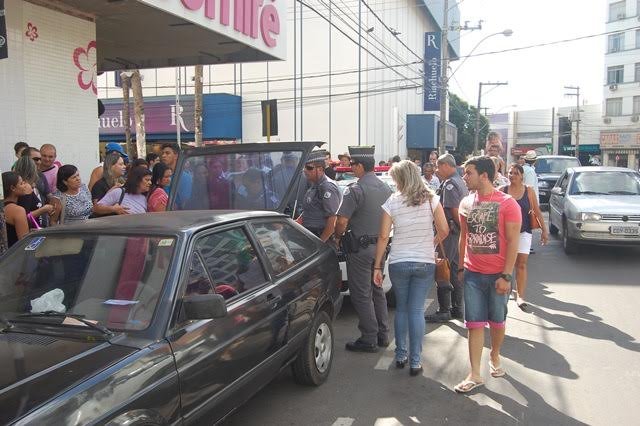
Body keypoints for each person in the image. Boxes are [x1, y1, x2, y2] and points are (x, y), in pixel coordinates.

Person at [373, 160, 449, 375]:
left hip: (399, 261)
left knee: (402, 310)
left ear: (401, 179)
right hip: (424, 262)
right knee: (416, 310)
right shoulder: (431, 199)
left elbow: (383, 236)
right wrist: (431, 244)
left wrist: (377, 266)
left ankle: (400, 355)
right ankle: (415, 362)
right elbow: (444, 229)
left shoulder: (392, 201)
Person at [453, 156, 521, 394]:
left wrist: (506, 276)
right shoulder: (466, 202)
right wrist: (461, 266)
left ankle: (495, 354)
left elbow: (513, 242)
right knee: (474, 323)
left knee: (497, 321)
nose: (464, 177)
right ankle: (474, 373)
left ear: (484, 175)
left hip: (498, 276)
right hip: (472, 273)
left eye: (468, 172)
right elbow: (464, 235)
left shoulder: (508, 204)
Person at [335, 146, 393, 353]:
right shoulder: (386, 189)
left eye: (352, 164)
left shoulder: (355, 190)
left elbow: (342, 222)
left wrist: (337, 237)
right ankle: (383, 334)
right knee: (377, 290)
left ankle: (369, 338)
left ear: (359, 166)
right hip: (380, 247)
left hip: (360, 250)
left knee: (361, 294)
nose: (351, 167)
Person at [426, 154, 469, 323]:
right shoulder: (459, 181)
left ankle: (444, 309)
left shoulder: (450, 184)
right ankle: (457, 308)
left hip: (449, 232)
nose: (436, 170)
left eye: (438, 166)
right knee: (454, 270)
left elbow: (454, 210)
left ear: (445, 165)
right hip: (456, 233)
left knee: (442, 268)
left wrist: (461, 228)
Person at [503, 164, 548, 311]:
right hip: (505, 234)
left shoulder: (529, 191)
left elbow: (537, 211)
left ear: (522, 175)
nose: (512, 176)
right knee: (506, 264)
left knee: (521, 264)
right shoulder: (502, 190)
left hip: (524, 232)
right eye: (510, 173)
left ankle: (520, 296)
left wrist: (544, 230)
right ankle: (505, 292)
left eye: (516, 173)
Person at [300, 149, 342, 241]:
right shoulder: (314, 185)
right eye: (304, 167)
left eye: (309, 168)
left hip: (321, 237)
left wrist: (320, 244)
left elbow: (332, 219)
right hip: (310, 236)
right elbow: (308, 211)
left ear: (320, 169)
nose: (305, 170)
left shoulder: (327, 187)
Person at [14, 155, 55, 228]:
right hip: (31, 229)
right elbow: (24, 216)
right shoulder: (26, 188)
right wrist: (44, 209)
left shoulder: (28, 186)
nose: (39, 163)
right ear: (31, 170)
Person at [2, 171, 33, 247]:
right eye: (21, 183)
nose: (25, 186)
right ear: (12, 188)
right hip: (14, 252)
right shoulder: (18, 210)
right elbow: (24, 243)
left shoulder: (5, 207)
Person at [161, 143, 192, 208]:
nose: (163, 156)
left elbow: (184, 202)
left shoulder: (185, 177)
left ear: (176, 156)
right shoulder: (161, 175)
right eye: (163, 153)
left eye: (167, 153)